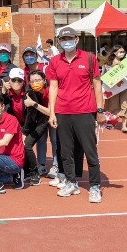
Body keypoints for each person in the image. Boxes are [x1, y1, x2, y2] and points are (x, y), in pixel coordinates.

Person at [47, 26, 105, 203]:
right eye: (63, 40)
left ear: (77, 39)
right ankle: (71, 182)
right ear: (59, 42)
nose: (67, 42)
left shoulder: (89, 58)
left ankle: (95, 186)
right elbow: (53, 88)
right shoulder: (55, 61)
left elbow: (97, 85)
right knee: (66, 151)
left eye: (70, 38)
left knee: (90, 151)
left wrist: (100, 111)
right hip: (63, 112)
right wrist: (51, 113)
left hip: (85, 111)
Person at [22, 70, 51, 186]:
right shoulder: (31, 93)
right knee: (31, 144)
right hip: (40, 122)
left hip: (54, 120)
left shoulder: (50, 92)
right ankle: (37, 167)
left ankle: (37, 172)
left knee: (55, 142)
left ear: (44, 81)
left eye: (38, 80)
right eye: (32, 81)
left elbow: (50, 112)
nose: (35, 83)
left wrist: (33, 104)